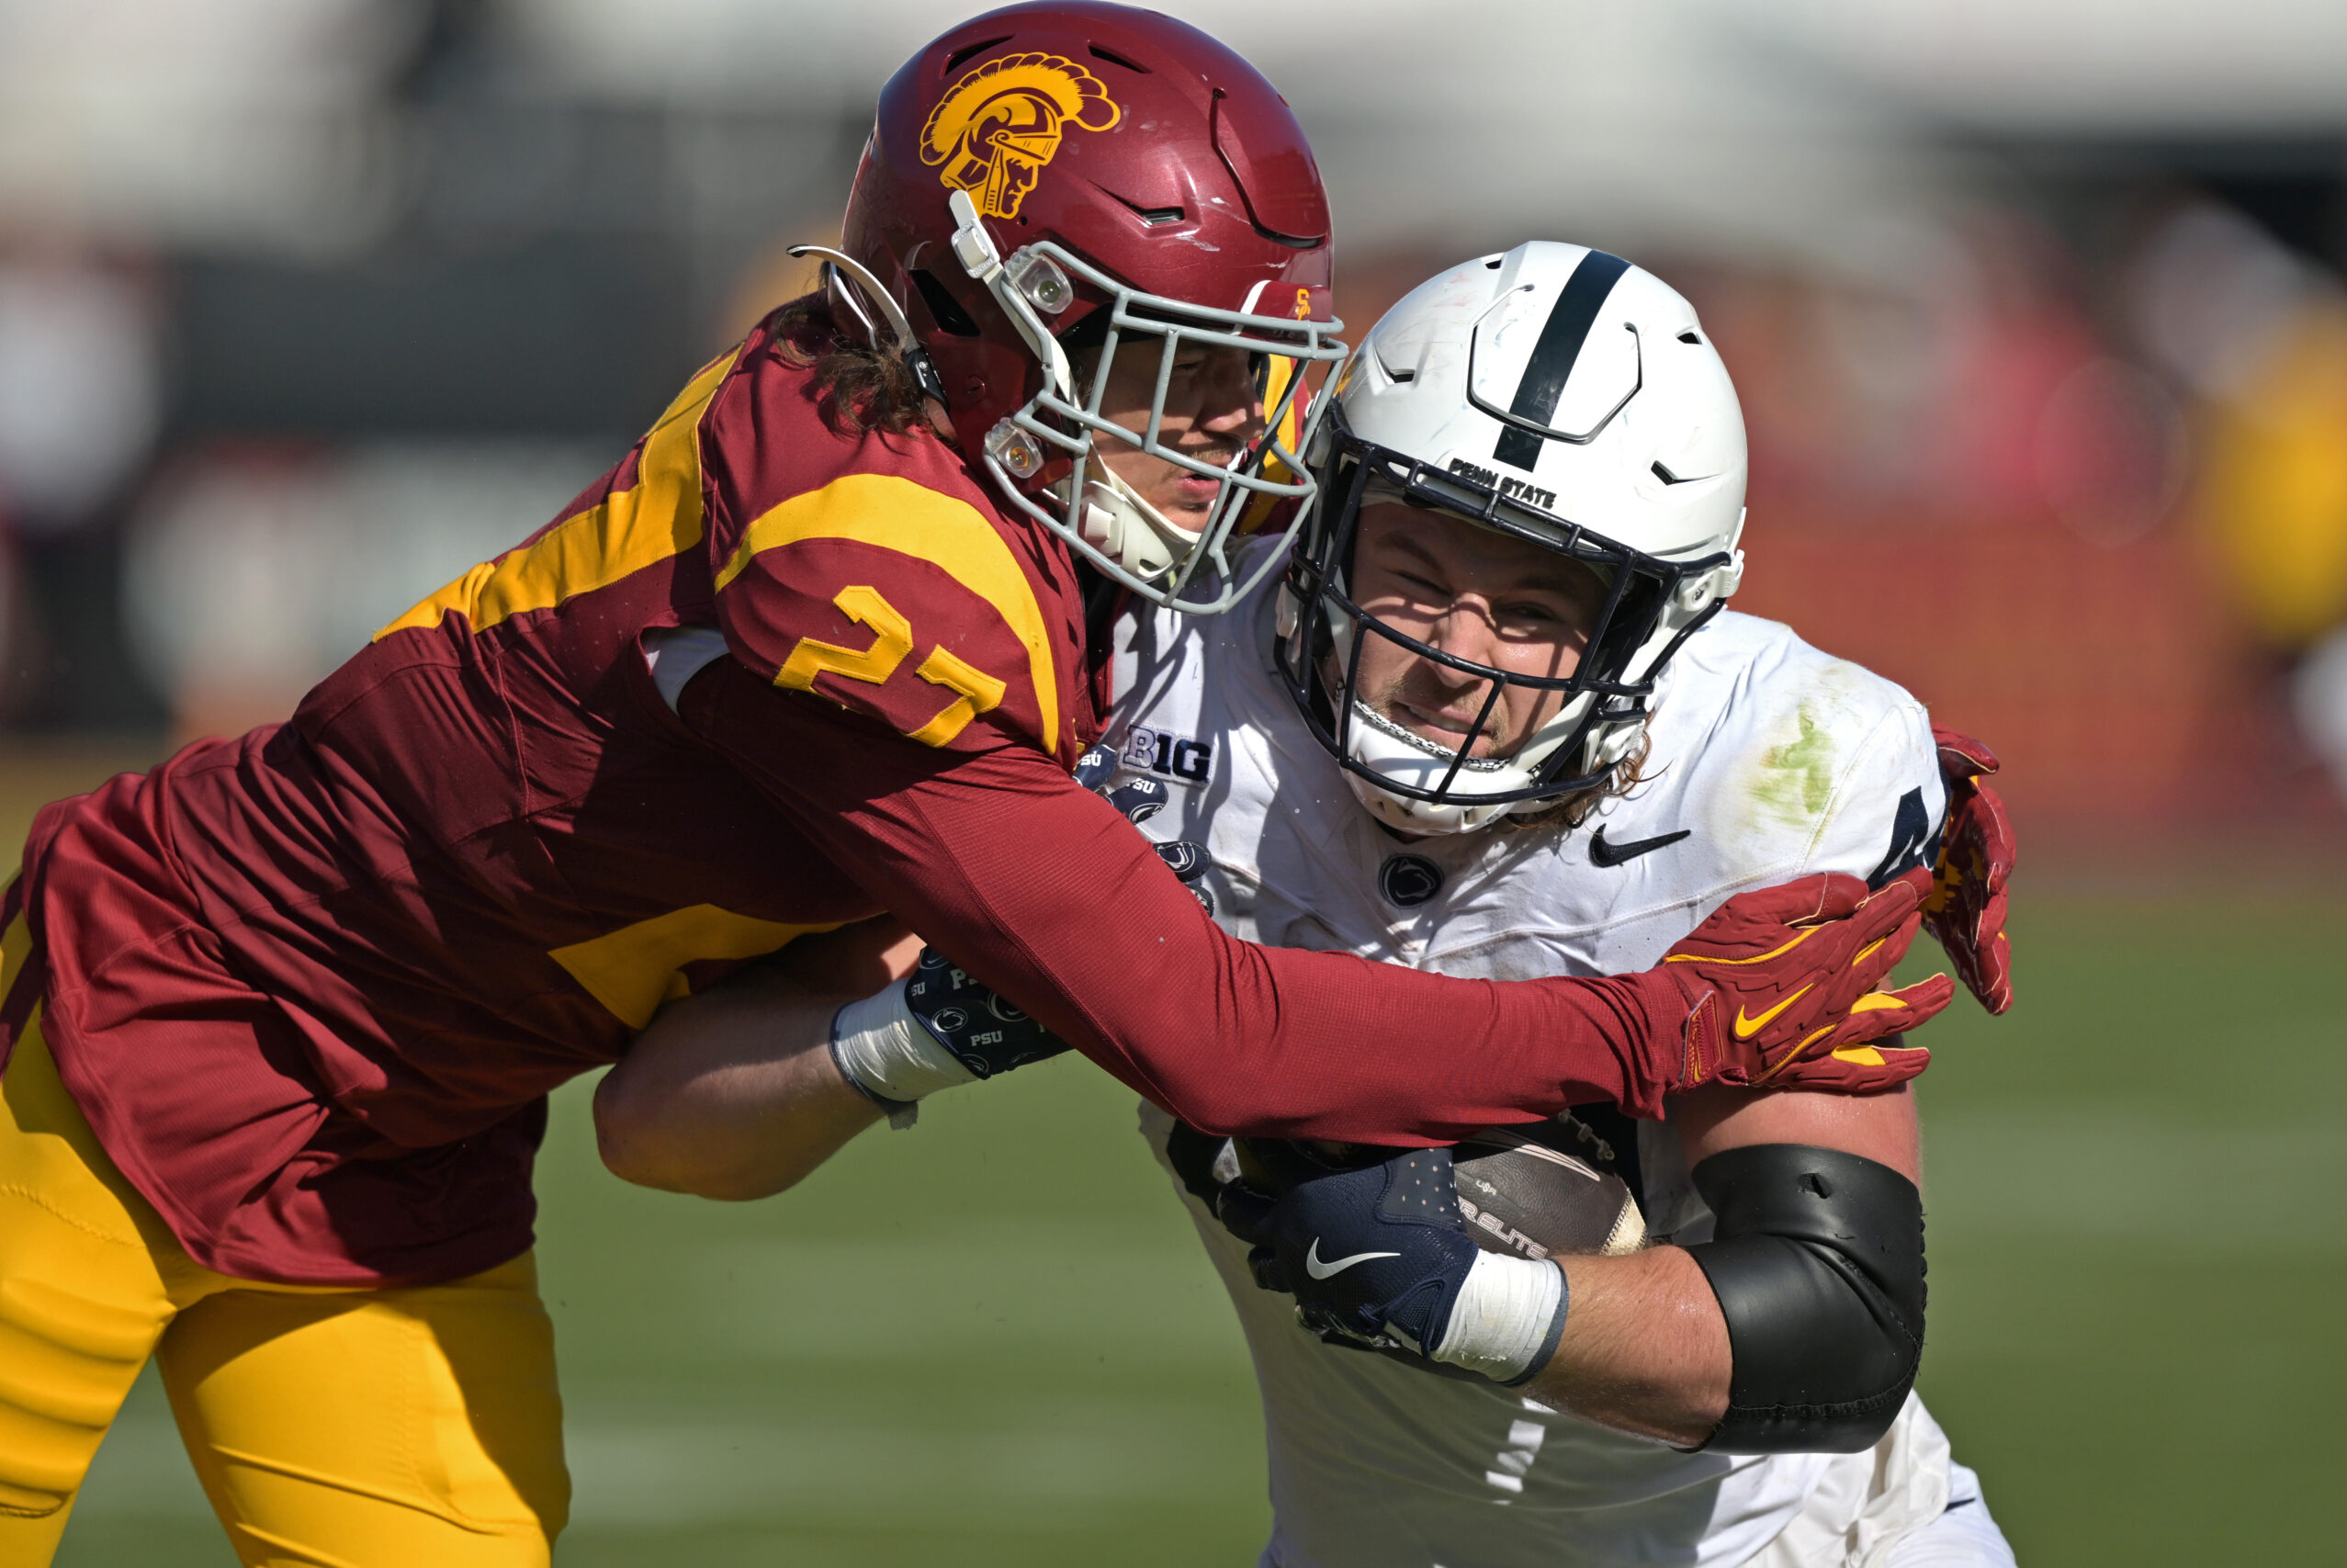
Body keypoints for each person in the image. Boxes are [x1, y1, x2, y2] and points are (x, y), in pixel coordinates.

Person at [0, 8, 1938, 1565]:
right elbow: (1211, 1033)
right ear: (971, 318)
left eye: (1247, 373)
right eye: (1171, 369)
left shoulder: (1016, 516)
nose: (1222, 434)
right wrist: (1654, 1025)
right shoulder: (873, 573)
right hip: (139, 1025)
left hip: (404, 1144)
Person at [593, 243, 2020, 1565]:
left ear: (1656, 626)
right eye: (1416, 564)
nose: (1458, 654)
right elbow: (659, 1127)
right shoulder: (1155, 669)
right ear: (1328, 507)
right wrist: (919, 1029)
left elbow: (1835, 1327)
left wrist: (1470, 1294)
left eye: (1535, 609)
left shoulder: (1764, 772)